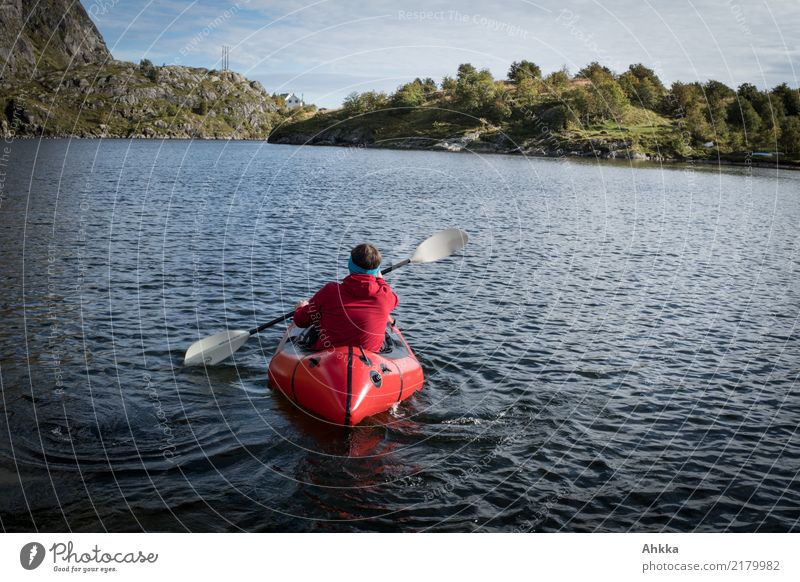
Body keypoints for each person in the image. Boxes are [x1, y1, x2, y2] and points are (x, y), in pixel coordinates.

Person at [293, 243, 398, 352]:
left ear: (350, 264)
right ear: (377, 271)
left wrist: (301, 308)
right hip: (369, 361)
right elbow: (393, 299)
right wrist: (380, 280)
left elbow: (300, 321)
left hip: (328, 360)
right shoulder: (385, 296)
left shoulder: (330, 291)